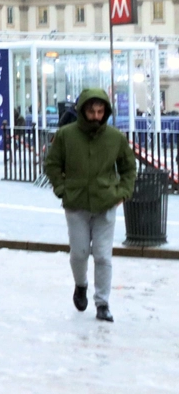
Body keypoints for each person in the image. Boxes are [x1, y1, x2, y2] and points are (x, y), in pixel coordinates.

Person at [45, 88, 136, 323]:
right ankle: (81, 284)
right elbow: (52, 164)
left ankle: (103, 303)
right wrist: (62, 189)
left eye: (100, 111)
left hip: (106, 203)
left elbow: (128, 168)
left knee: (104, 256)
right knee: (79, 253)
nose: (96, 116)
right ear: (83, 111)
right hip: (76, 204)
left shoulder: (115, 138)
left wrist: (122, 193)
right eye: (91, 111)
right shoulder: (66, 135)